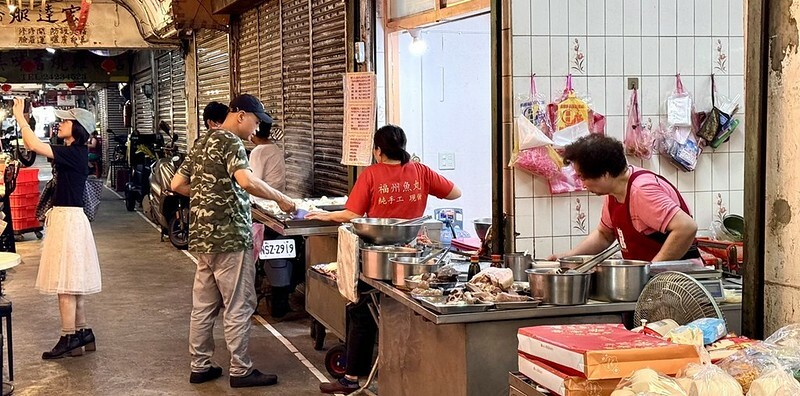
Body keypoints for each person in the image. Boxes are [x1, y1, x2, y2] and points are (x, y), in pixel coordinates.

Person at [308, 124, 461, 394]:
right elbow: (454, 193)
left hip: (376, 257)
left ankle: (352, 377)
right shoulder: (421, 171)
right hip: (413, 257)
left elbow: (351, 214)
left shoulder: (371, 174)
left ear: (378, 151)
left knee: (360, 310)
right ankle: (404, 373)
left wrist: (322, 215)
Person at [170, 94, 296, 388]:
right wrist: (283, 199)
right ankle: (241, 370)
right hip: (229, 238)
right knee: (238, 304)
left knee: (203, 306)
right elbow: (247, 181)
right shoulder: (231, 142)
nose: (256, 130)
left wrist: (206, 199)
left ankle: (200, 366)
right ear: (240, 115)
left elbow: (177, 184)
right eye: (255, 122)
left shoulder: (202, 142)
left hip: (202, 238)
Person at [12, 98, 102, 359]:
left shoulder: (73, 152)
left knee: (65, 282)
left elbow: (32, 144)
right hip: (71, 220)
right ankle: (83, 332)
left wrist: (20, 116)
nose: (60, 123)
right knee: (74, 282)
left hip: (67, 220)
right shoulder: (75, 151)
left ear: (77, 128)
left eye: (66, 120)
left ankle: (68, 336)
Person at [548, 134, 699, 262]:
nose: (583, 185)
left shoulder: (641, 191)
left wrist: (651, 271)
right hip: (653, 281)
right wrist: (567, 257)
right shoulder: (615, 191)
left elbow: (686, 228)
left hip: (678, 280)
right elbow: (604, 235)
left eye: (583, 177)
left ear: (605, 174)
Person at [248, 121, 294, 318]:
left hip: (262, 207)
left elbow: (252, 182)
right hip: (277, 204)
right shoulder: (275, 148)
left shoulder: (258, 151)